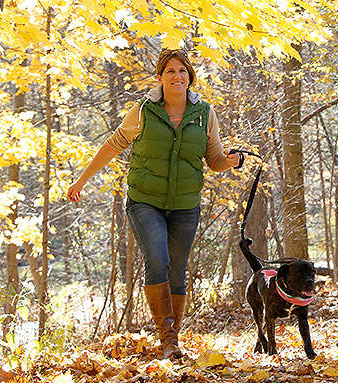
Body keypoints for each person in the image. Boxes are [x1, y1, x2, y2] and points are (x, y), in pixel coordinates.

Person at [67, 49, 241, 359]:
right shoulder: (143, 110)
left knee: (178, 269)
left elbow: (213, 159)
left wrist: (230, 161)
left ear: (190, 77)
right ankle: (167, 340)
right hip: (145, 201)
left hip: (186, 203)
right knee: (158, 260)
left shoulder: (204, 114)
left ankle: (172, 342)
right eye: (171, 71)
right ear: (160, 78)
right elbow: (112, 145)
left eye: (183, 71)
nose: (178, 76)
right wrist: (81, 180)